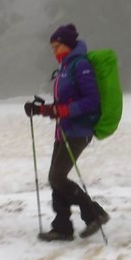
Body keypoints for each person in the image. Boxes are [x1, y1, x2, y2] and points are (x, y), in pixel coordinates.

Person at [24, 24, 109, 242]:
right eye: (52, 47)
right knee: (56, 179)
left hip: (78, 130)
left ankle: (94, 212)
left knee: (57, 177)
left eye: (57, 46)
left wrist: (61, 110)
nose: (54, 51)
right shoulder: (64, 68)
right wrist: (41, 109)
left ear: (68, 45)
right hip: (63, 130)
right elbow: (62, 104)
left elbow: (91, 101)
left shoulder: (81, 65)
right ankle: (62, 227)